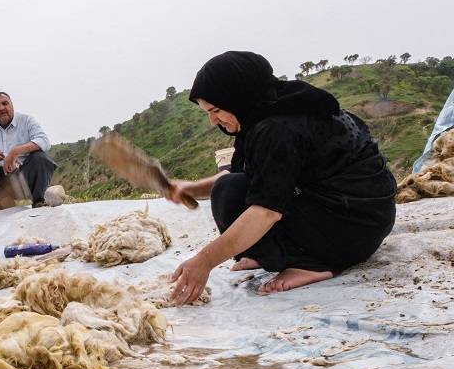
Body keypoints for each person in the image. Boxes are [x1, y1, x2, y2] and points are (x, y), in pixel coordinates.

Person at [166, 51, 397, 305]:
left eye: (217, 110)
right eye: (207, 112)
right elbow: (250, 175)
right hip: (365, 219)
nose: (212, 120)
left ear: (237, 96)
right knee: (228, 187)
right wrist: (191, 189)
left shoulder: (277, 129)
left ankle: (311, 264)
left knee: (228, 194)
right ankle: (274, 254)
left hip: (352, 229)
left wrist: (204, 261)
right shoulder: (271, 108)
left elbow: (266, 211)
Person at [0, 92, 57, 208]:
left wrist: (15, 151)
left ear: (12, 105)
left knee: (41, 157)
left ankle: (38, 201)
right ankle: (2, 201)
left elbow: (44, 141)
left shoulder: (27, 120)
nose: (2, 108)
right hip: (1, 184)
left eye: (5, 103)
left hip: (25, 179)